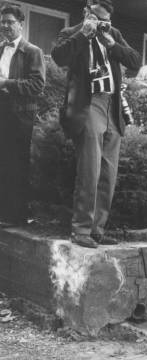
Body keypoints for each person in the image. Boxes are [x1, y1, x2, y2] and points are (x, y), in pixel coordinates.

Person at [51, 0, 140, 248]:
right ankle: (80, 230)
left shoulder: (114, 34)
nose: (103, 24)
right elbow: (59, 57)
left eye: (107, 21)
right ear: (86, 12)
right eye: (98, 18)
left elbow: (135, 61)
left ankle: (97, 230)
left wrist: (113, 45)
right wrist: (84, 34)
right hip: (88, 104)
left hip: (112, 105)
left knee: (108, 173)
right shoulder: (71, 33)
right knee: (90, 169)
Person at [0, 4, 45, 227]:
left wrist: (7, 84)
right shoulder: (0, 48)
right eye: (2, 21)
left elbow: (38, 84)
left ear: (21, 24)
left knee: (16, 165)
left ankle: (15, 217)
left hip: (19, 117)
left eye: (10, 22)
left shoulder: (32, 51)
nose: (5, 26)